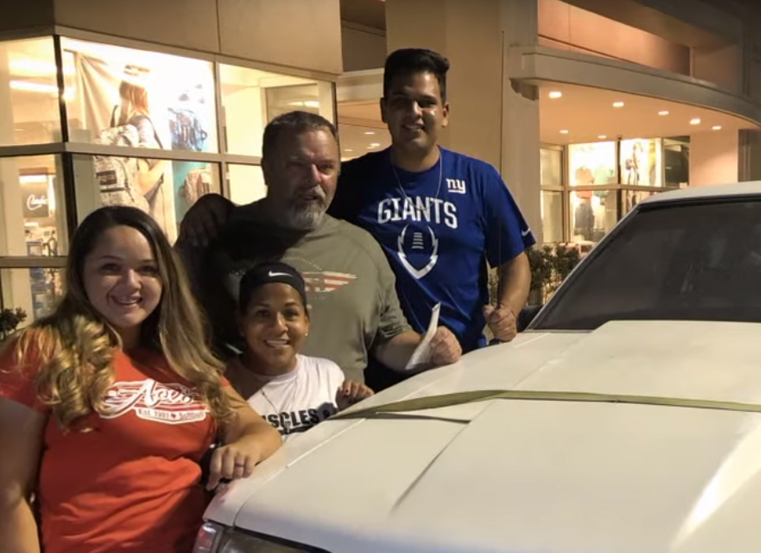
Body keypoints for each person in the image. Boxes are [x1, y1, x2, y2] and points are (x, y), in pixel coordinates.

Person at [0, 205, 283, 553]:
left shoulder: (179, 355)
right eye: (110, 268)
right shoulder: (42, 350)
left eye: (147, 269)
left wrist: (246, 446)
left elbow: (256, 427)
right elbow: (8, 495)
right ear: (79, 274)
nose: (131, 285)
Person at [178, 48, 535, 391]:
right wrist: (216, 205)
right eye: (400, 102)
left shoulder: (479, 178)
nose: (414, 112)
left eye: (426, 102)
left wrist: (507, 313)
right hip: (381, 370)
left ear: (444, 112)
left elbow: (514, 260)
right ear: (384, 110)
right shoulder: (352, 179)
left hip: (461, 356)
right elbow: (289, 209)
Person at [174, 110, 461, 384]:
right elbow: (170, 331)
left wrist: (431, 348)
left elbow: (389, 339)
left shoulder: (362, 248)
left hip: (344, 425)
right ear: (267, 169)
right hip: (248, 427)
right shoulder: (212, 236)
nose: (313, 179)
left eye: (326, 167)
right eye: (297, 166)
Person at [224, 261, 375, 441]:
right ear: (241, 323)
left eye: (290, 313)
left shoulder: (328, 373)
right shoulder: (220, 383)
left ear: (306, 320)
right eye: (263, 314)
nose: (278, 326)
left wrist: (355, 413)